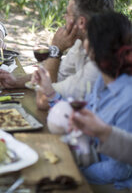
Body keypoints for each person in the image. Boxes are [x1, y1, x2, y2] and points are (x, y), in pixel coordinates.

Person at [34, 12, 132, 189]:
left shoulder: (127, 100)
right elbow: (78, 116)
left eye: (87, 37)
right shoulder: (103, 79)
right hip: (87, 164)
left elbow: (118, 171)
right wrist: (50, 93)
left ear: (93, 49)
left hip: (111, 186)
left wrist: (71, 171)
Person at [0, 0, 114, 108]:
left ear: (81, 22)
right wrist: (16, 82)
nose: (64, 17)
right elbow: (60, 74)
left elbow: (44, 100)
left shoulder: (99, 64)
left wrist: (56, 49)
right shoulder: (80, 43)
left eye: (67, 14)